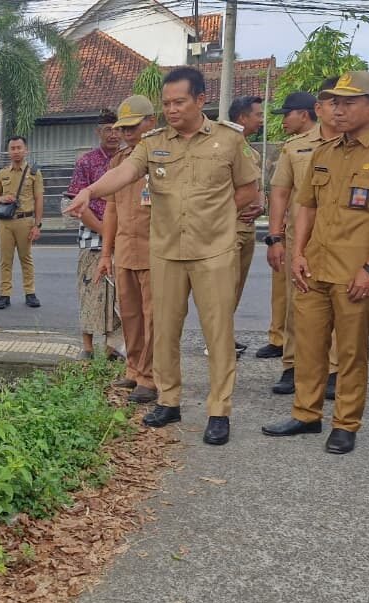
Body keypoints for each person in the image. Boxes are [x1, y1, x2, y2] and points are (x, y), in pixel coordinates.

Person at [67, 66, 260, 446]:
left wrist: (216, 218)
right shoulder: (153, 143)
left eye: (179, 102)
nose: (172, 110)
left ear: (200, 100)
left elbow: (249, 190)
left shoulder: (228, 141)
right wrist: (90, 192)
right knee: (165, 331)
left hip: (213, 252)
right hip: (167, 252)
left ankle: (219, 410)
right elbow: (124, 174)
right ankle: (169, 400)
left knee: (218, 333)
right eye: (167, 103)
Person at [261, 71, 369, 455]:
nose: (338, 109)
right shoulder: (324, 152)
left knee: (349, 351)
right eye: (334, 101)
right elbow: (307, 206)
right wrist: (298, 253)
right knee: (310, 346)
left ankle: (345, 423)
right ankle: (306, 414)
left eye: (348, 102)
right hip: (314, 267)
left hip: (356, 271)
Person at [265, 85, 341, 399]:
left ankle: (334, 370)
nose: (332, 110)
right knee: (296, 305)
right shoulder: (295, 148)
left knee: (339, 306)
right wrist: (275, 237)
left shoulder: (354, 144)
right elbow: (280, 192)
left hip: (339, 239)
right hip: (299, 238)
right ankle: (292, 365)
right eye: (327, 103)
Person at [95, 95, 158, 404]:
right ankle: (134, 369)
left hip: (155, 252)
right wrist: (106, 254)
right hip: (125, 251)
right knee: (130, 315)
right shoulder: (119, 162)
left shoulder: (163, 158)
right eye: (123, 128)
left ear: (151, 122)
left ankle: (150, 377)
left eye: (133, 127)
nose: (126, 134)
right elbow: (111, 212)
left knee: (153, 317)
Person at [67, 109, 123, 359]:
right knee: (91, 289)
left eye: (117, 129)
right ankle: (88, 347)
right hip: (93, 233)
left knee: (119, 295)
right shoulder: (86, 162)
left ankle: (112, 347)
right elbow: (78, 205)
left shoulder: (129, 161)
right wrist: (105, 231)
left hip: (125, 235)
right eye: (107, 130)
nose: (113, 135)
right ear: (98, 132)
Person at [226, 96, 266, 357]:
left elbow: (257, 187)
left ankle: (226, 336)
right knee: (223, 288)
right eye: (258, 115)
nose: (262, 120)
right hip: (228, 228)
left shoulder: (252, 153)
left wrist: (260, 203)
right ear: (242, 118)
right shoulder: (223, 148)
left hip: (247, 228)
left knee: (236, 288)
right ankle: (216, 341)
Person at [0, 136, 44, 310]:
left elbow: (39, 199)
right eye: (12, 148)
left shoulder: (34, 173)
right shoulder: (2, 173)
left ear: (25, 150)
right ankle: (4, 294)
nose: (16, 151)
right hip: (5, 222)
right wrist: (2, 198)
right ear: (8, 151)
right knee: (5, 260)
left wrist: (37, 225)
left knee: (25, 258)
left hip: (25, 220)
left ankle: (30, 293)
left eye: (19, 148)